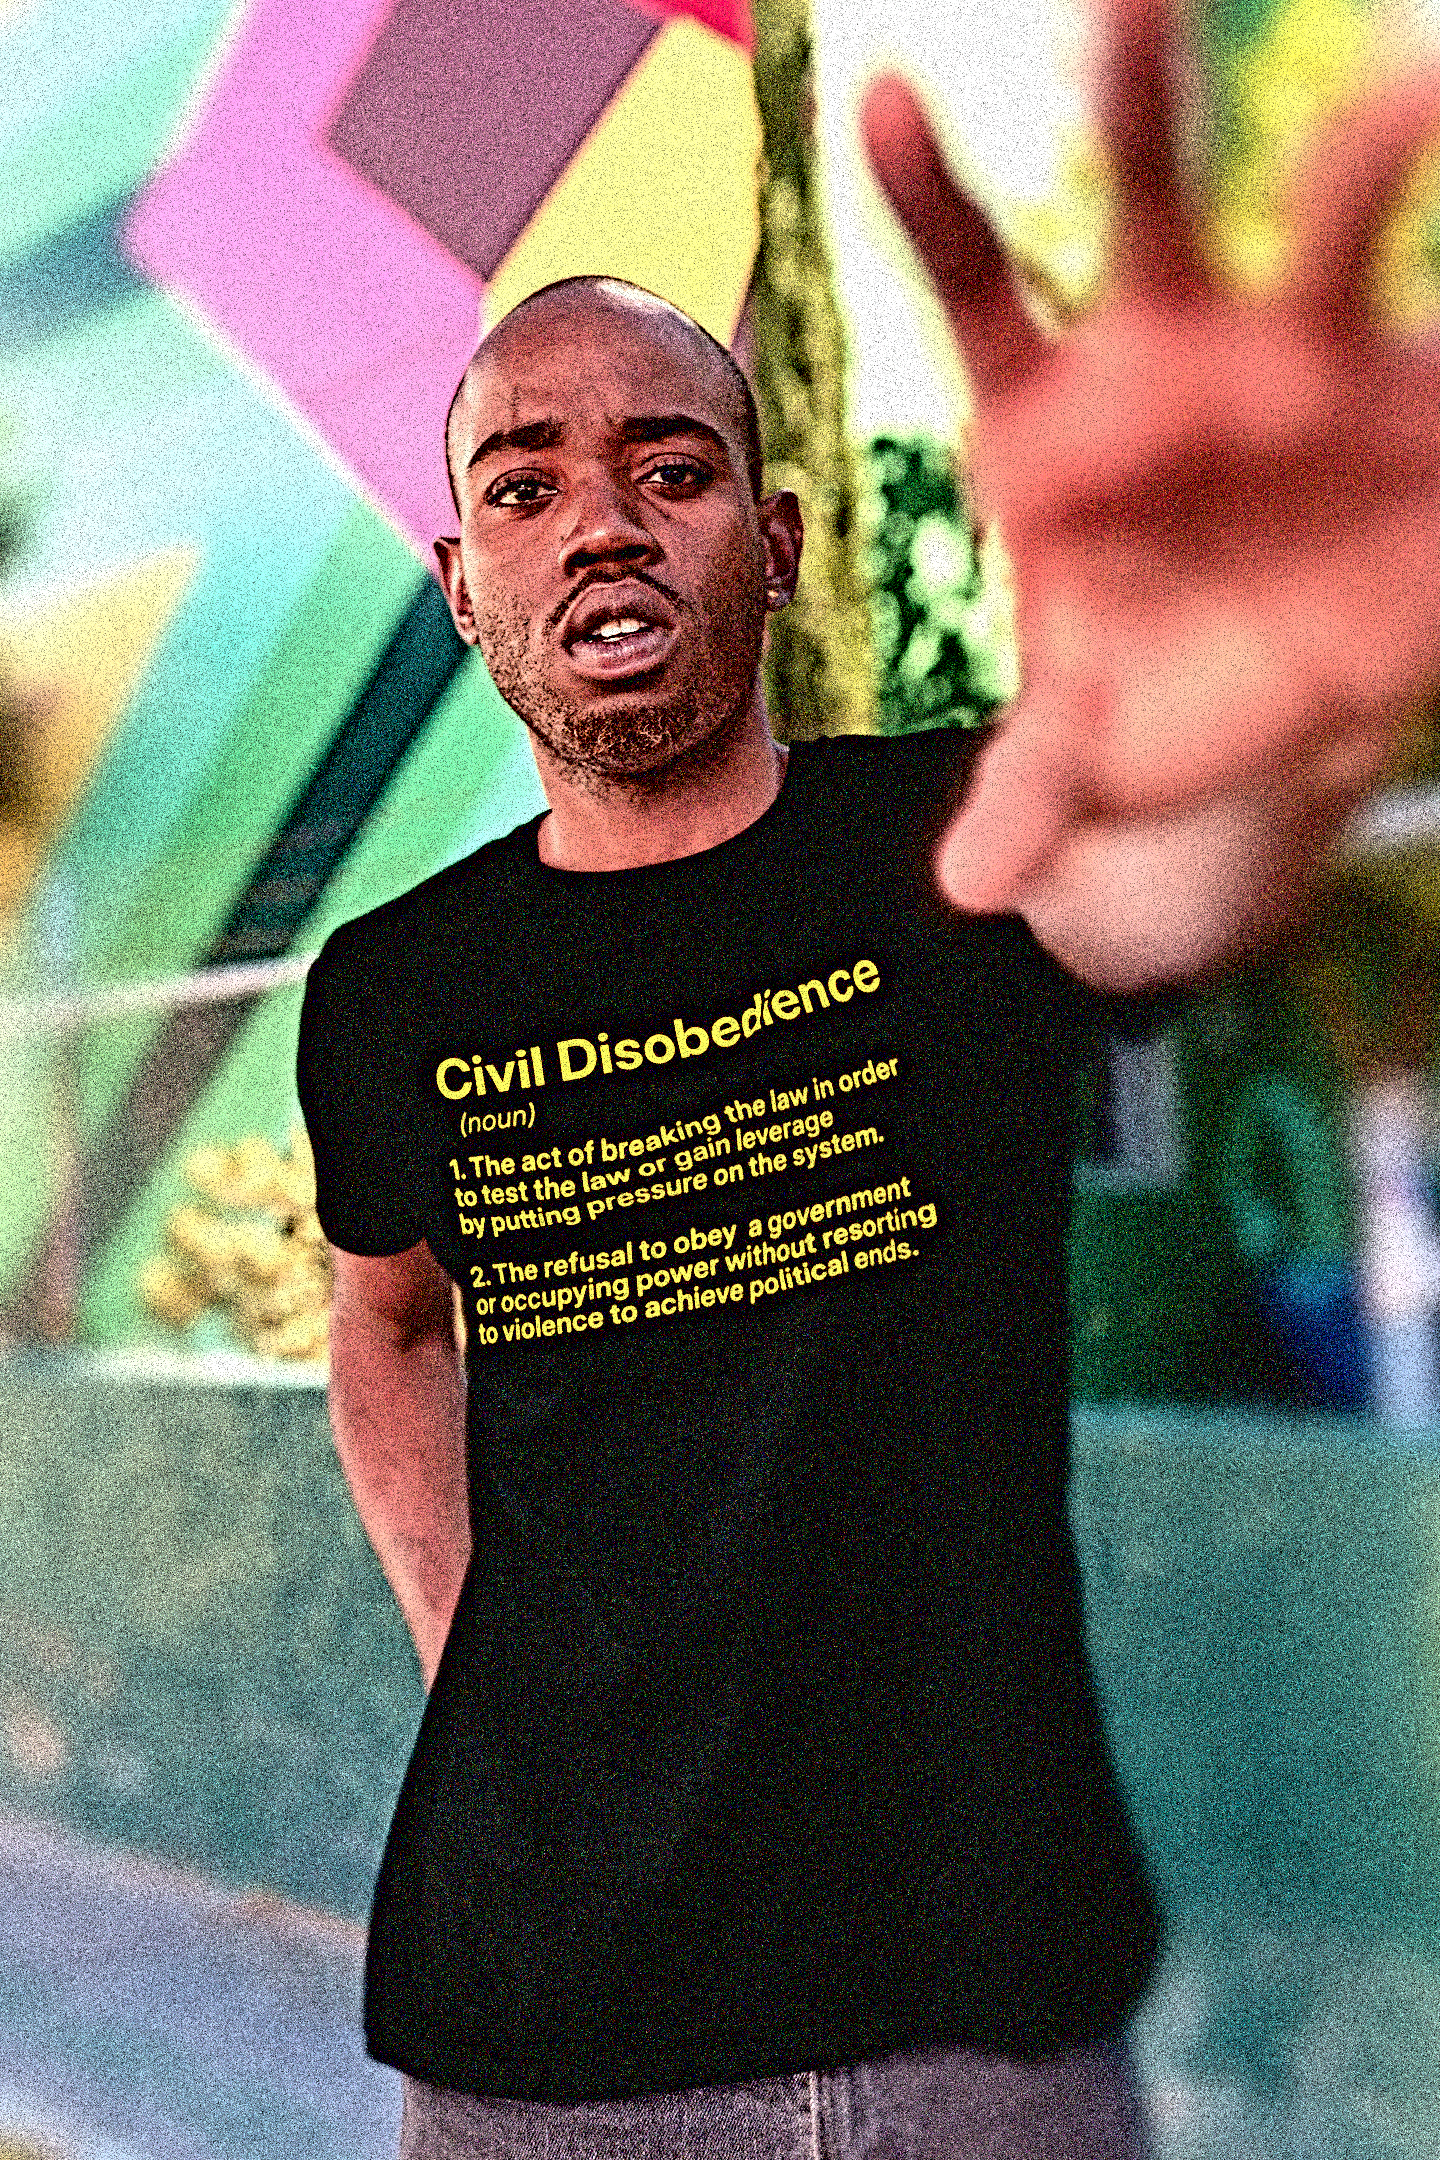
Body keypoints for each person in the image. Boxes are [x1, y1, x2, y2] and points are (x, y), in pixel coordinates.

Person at [296, 3, 1440, 2151]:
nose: (602, 522)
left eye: (673, 467)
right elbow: (387, 1323)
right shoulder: (389, 991)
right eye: (525, 485)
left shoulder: (964, 844)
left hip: (974, 2008)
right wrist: (480, 1653)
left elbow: (1166, 890)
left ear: (781, 539)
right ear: (462, 587)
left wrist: (1277, 719)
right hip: (547, 2033)